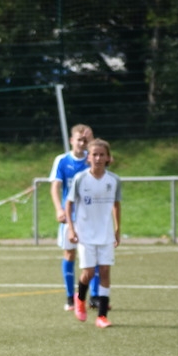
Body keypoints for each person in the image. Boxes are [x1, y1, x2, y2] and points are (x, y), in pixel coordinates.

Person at [65, 139, 121, 328]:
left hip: (105, 234)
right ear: (88, 157)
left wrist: (117, 229)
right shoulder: (80, 179)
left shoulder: (113, 180)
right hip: (85, 234)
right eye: (94, 154)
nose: (98, 158)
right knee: (88, 273)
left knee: (105, 271)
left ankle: (102, 316)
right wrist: (71, 228)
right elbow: (69, 203)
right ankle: (80, 298)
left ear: (108, 157)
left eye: (101, 154)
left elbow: (116, 205)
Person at [48, 123, 99, 311]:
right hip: (70, 217)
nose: (82, 143)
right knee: (69, 254)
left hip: (90, 216)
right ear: (71, 140)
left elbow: (107, 160)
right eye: (79, 140)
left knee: (93, 257)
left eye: (85, 140)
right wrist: (58, 209)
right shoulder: (62, 160)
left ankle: (94, 297)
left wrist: (92, 141)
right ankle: (70, 297)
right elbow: (55, 186)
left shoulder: (91, 159)